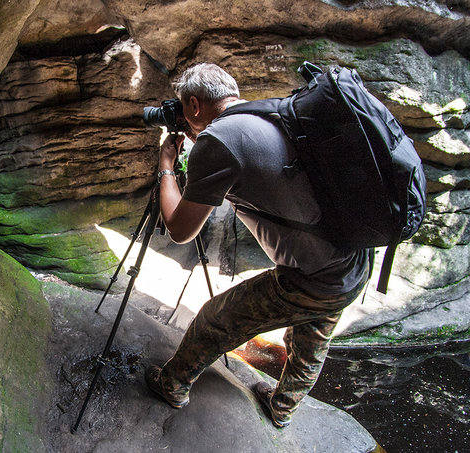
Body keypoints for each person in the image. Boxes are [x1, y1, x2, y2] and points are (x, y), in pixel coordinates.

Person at [145, 63, 370, 428]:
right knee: (311, 337)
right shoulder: (271, 112)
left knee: (214, 319)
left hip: (312, 277)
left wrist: (167, 164)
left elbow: (180, 230)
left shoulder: (218, 141)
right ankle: (282, 408)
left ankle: (172, 385)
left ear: (195, 105)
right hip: (353, 258)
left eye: (183, 107)